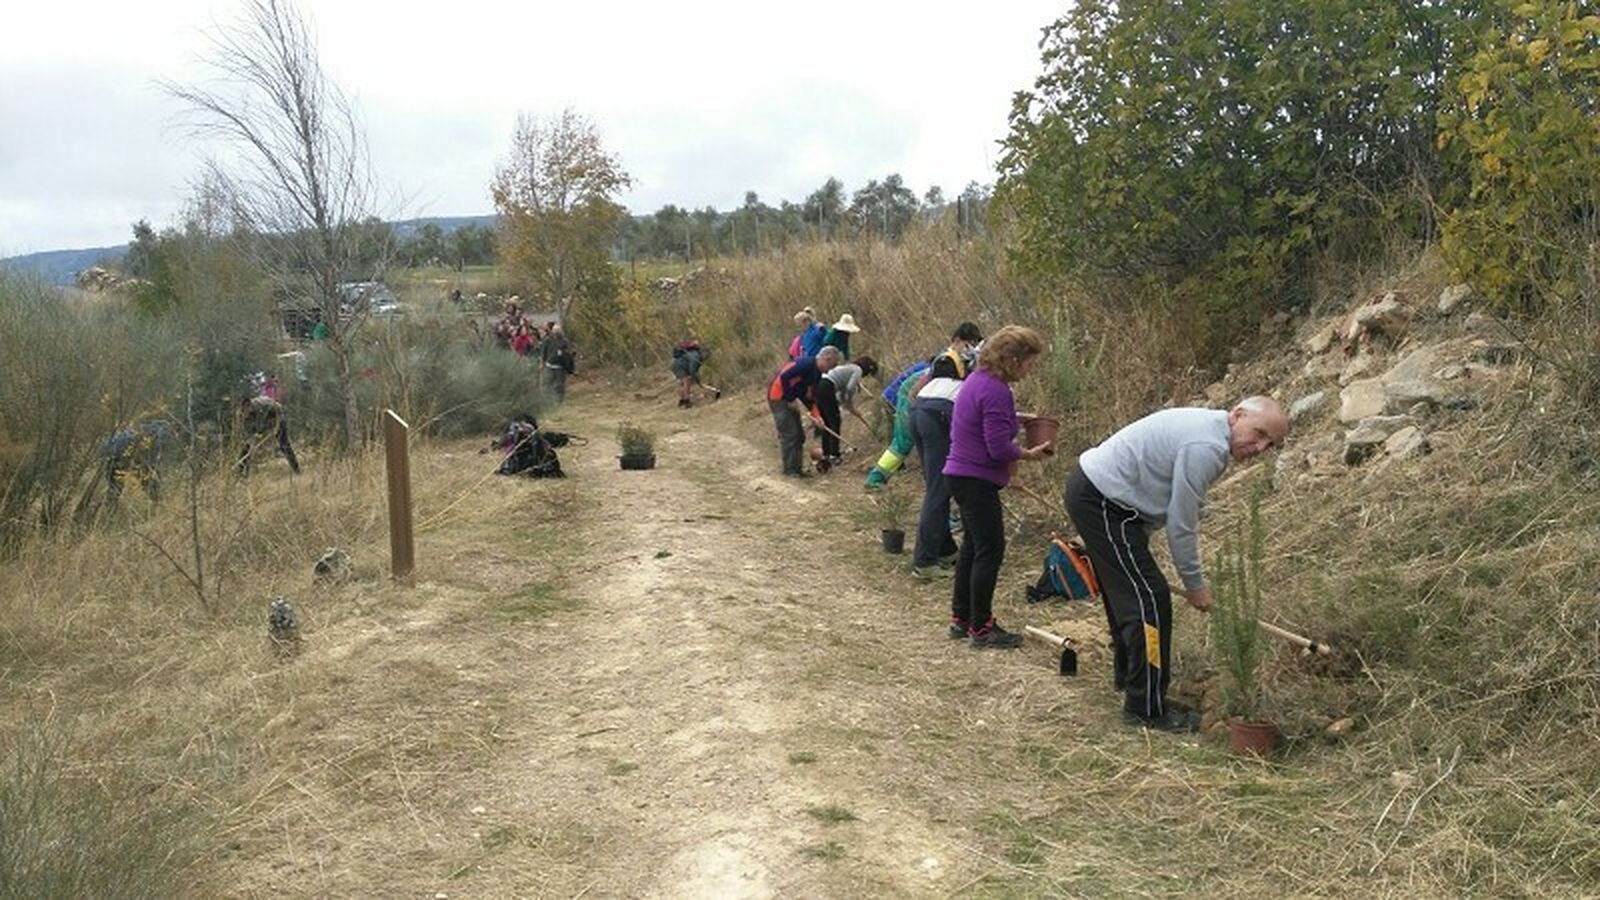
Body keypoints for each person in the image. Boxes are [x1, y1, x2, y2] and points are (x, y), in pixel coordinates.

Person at [1064, 396, 1288, 732]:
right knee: (1149, 602)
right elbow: (1181, 524)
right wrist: (1195, 586)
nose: (1260, 446)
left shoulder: (1211, 433)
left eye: (1271, 444)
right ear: (1237, 415)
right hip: (1105, 502)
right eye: (1258, 433)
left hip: (1108, 501)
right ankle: (1145, 709)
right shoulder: (1207, 446)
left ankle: (1132, 680)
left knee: (1132, 596)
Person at [943, 326, 1050, 649]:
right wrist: (1026, 455)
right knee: (990, 551)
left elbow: (985, 418)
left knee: (974, 548)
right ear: (1012, 359)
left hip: (959, 474)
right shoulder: (997, 390)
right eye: (1029, 362)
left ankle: (961, 619)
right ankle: (982, 627)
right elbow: (997, 448)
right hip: (977, 479)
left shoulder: (977, 381)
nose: (1030, 368)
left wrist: (1015, 417)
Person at [910, 322, 984, 578]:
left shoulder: (945, 366)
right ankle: (924, 562)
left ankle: (944, 549)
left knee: (937, 486)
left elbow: (915, 391)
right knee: (940, 488)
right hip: (938, 414)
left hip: (920, 410)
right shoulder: (975, 371)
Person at [768, 346, 840, 476]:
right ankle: (790, 471)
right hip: (778, 397)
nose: (832, 369)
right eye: (833, 365)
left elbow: (810, 397)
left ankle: (797, 469)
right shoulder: (806, 364)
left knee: (799, 435)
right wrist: (790, 399)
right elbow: (785, 376)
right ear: (827, 359)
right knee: (791, 434)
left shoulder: (817, 374)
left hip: (790, 399)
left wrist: (817, 416)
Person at [864, 359, 932, 488]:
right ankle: (876, 478)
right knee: (903, 441)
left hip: (903, 397)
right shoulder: (935, 368)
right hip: (902, 398)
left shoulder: (930, 366)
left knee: (902, 440)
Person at [813, 355, 879, 464]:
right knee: (835, 421)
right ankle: (834, 455)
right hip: (827, 387)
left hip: (820, 386)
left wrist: (850, 407)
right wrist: (850, 405)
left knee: (827, 423)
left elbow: (841, 396)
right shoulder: (857, 370)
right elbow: (849, 388)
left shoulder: (847, 368)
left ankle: (826, 454)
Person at [671, 338, 721, 407]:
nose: (706, 358)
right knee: (686, 381)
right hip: (678, 366)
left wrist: (697, 379)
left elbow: (693, 370)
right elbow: (693, 371)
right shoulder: (696, 357)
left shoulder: (697, 356)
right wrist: (698, 381)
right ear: (704, 352)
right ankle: (686, 401)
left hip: (678, 365)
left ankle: (682, 400)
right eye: (707, 355)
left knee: (684, 382)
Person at [539, 324, 575, 404]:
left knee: (559, 385)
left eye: (557, 330)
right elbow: (543, 352)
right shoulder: (548, 340)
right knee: (547, 384)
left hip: (560, 367)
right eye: (555, 330)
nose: (556, 332)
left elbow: (569, 353)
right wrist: (542, 363)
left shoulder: (564, 341)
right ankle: (546, 401)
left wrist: (569, 365)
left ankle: (558, 401)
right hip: (549, 365)